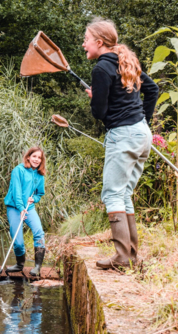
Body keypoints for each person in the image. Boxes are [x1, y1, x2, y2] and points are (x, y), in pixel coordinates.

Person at [82, 17, 159, 269]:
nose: (84, 45)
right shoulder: (127, 60)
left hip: (123, 135)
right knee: (124, 194)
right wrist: (143, 121)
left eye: (86, 40)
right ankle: (132, 256)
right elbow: (153, 89)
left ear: (99, 42)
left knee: (112, 194)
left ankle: (122, 258)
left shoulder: (101, 69)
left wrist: (95, 96)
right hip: (141, 134)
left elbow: (99, 112)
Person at [4, 147, 46, 276]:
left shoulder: (39, 175)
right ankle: (19, 264)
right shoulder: (18, 170)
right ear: (28, 157)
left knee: (39, 232)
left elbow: (40, 193)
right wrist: (21, 208)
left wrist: (34, 199)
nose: (36, 160)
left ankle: (37, 266)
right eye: (34, 156)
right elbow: (16, 192)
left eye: (39, 158)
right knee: (18, 241)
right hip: (14, 208)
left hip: (29, 208)